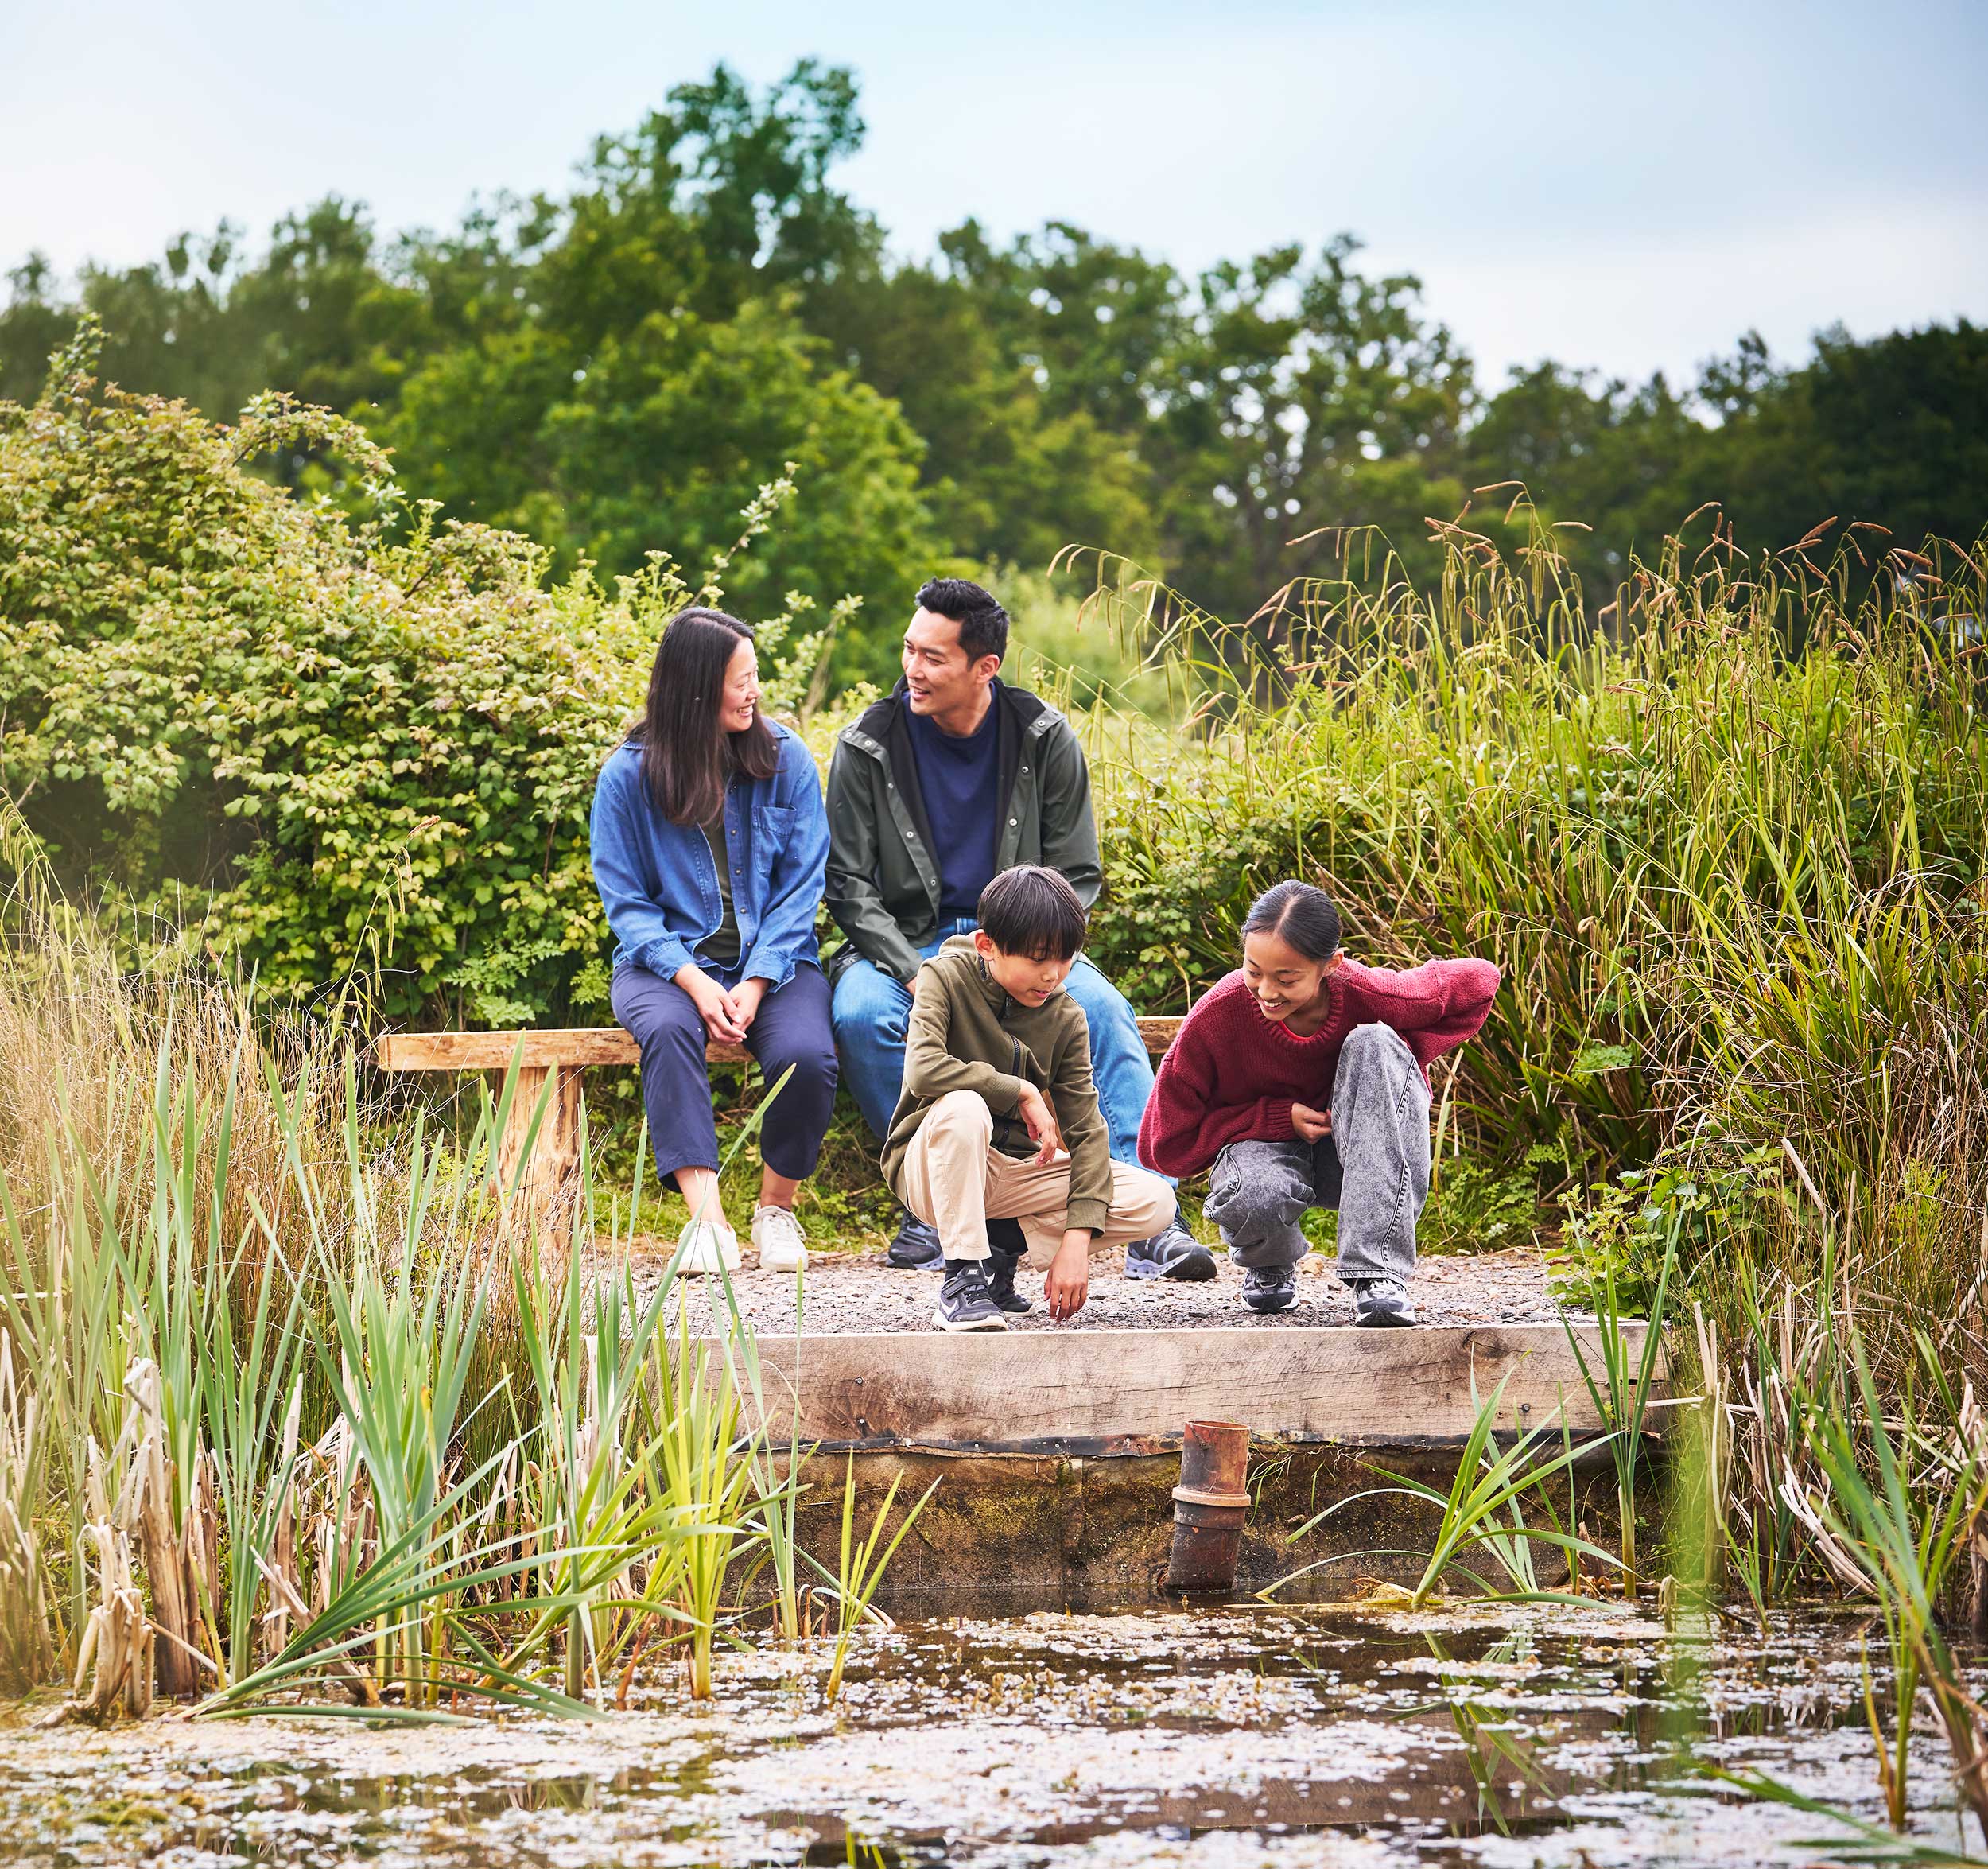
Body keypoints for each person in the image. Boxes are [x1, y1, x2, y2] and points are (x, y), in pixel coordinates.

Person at [826, 575, 1208, 1280]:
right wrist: (911, 968)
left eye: (933, 657)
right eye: (909, 650)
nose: (913, 668)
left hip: (1023, 935)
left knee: (1103, 1010)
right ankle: (932, 1203)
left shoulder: (1042, 736)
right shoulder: (867, 745)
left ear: (985, 667)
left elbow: (1078, 872)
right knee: (858, 1013)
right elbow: (848, 885)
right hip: (906, 941)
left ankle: (1149, 1215)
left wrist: (1036, 948)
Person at [590, 606, 838, 1276]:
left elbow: (801, 887)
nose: (755, 691)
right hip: (662, 967)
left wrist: (755, 980)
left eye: (756, 675)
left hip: (778, 964)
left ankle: (775, 1210)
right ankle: (708, 1223)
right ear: (696, 686)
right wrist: (694, 980)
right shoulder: (627, 777)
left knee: (807, 1054)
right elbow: (627, 904)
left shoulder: (785, 759)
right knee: (669, 1034)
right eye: (742, 678)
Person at [1138, 880, 1501, 1326]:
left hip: (1365, 1158)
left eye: (1286, 978)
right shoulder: (1219, 1013)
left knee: (1375, 1043)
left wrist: (1393, 1068)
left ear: (1331, 964)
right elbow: (1164, 1144)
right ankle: (1270, 1261)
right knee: (1255, 1193)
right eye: (1254, 971)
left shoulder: (1367, 991)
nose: (1267, 991)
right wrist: (1273, 1119)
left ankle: (1379, 1272)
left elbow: (1481, 979)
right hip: (1265, 1156)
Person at [883, 866, 1175, 1331]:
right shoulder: (943, 977)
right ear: (987, 945)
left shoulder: (1066, 1016)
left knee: (1155, 1199)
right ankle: (962, 1279)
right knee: (964, 1107)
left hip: (1017, 1174)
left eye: (1064, 959)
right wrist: (1018, 1089)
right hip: (935, 1166)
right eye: (1038, 959)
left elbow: (1087, 1132)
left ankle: (1000, 1248)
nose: (1053, 974)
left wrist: (1077, 1241)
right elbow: (923, 1070)